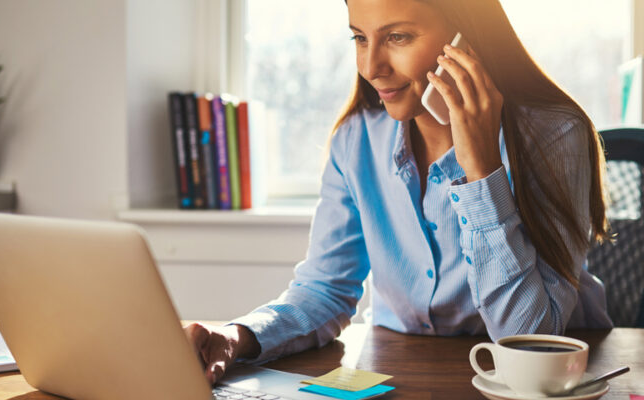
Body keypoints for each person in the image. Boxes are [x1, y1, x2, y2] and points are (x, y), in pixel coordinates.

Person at [185, 0, 614, 385]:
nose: (372, 67)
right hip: (400, 374)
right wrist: (237, 336)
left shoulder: (555, 136)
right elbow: (324, 291)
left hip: (545, 385)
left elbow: (529, 339)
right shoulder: (356, 141)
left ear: (467, 36)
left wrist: (482, 169)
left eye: (398, 37)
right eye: (359, 38)